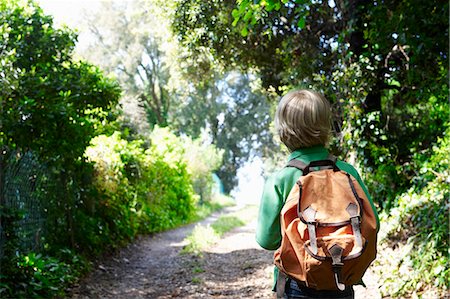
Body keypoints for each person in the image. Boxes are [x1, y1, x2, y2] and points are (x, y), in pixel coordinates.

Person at [255, 89, 380, 299]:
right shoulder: (347, 172)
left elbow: (267, 239)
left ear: (283, 130)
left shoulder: (281, 179)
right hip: (341, 279)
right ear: (325, 126)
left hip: (297, 284)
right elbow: (372, 223)